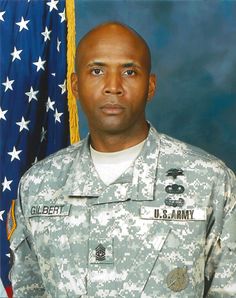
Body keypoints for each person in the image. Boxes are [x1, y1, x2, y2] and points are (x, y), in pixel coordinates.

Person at [9, 22, 236, 298]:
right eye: (97, 71)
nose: (113, 87)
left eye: (129, 72)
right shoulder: (38, 185)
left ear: (150, 86)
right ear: (75, 86)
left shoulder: (209, 180)